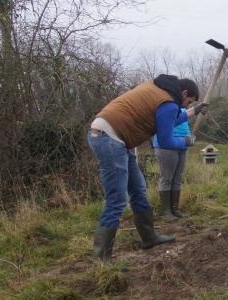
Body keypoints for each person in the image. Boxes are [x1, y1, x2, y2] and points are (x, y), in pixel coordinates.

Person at [88, 74, 206, 264]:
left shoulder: (158, 90)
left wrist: (192, 111)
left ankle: (149, 237)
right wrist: (185, 140)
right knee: (117, 200)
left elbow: (169, 121)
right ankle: (101, 259)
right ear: (183, 92)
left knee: (138, 189)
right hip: (107, 139)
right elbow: (166, 140)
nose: (184, 107)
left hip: (111, 137)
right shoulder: (168, 102)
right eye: (187, 102)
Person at [153, 107, 195, 222]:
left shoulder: (185, 108)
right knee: (167, 178)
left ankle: (175, 209)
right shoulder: (166, 106)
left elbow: (185, 122)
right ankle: (166, 212)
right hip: (166, 145)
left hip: (184, 144)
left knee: (177, 178)